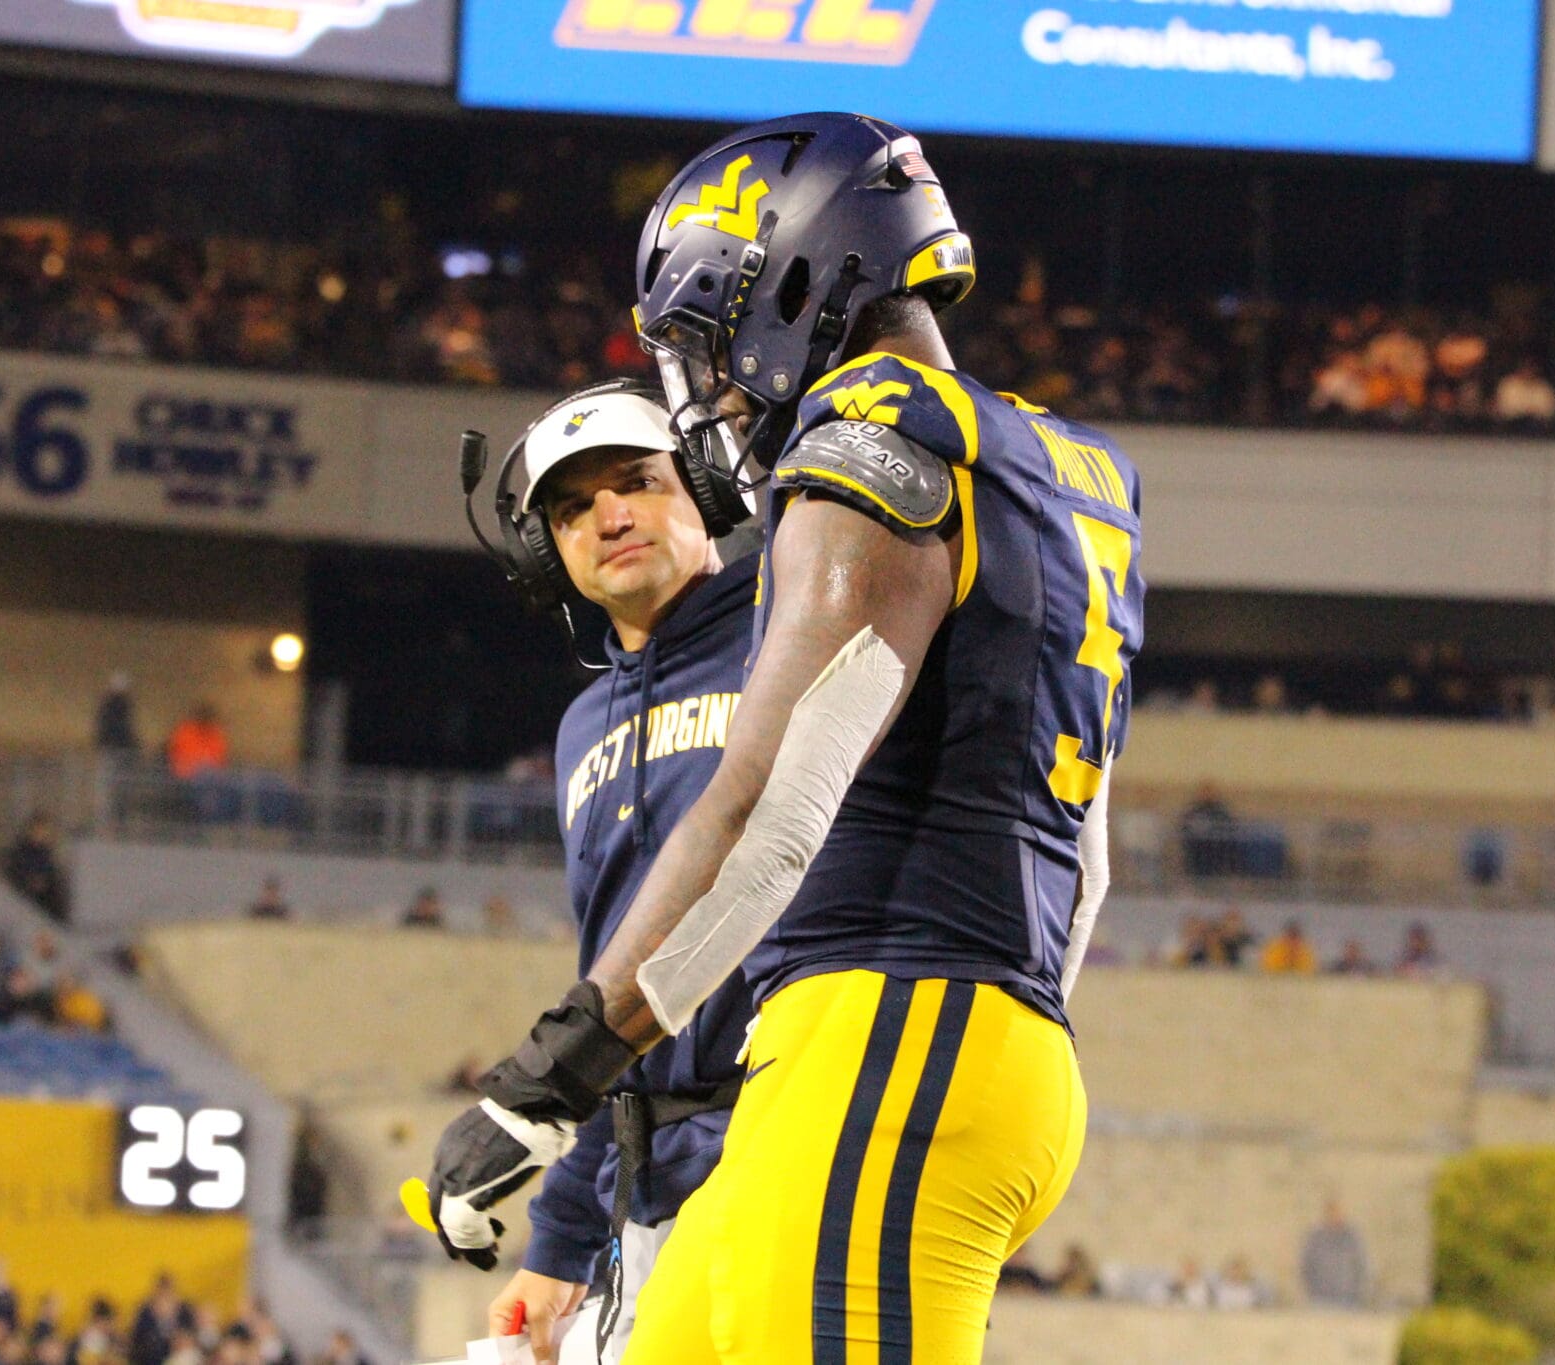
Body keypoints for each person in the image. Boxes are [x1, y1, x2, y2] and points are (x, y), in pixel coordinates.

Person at [423, 113, 1141, 1363]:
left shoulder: (869, 431)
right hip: (919, 1039)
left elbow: (768, 808)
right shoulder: (1064, 465)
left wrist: (544, 1085)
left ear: (791, 277)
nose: (704, 383)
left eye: (698, 336)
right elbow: (1088, 859)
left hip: (892, 1025)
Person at [472, 383, 760, 1365]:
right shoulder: (580, 728)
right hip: (651, 1183)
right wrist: (558, 1242)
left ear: (709, 487)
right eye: (570, 508)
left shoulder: (793, 627)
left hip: (789, 1135)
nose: (610, 515)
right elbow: (613, 989)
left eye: (636, 480)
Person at [1300, 1199, 1369, 1307]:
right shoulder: (1316, 1239)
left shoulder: (1352, 1238)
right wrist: (1313, 1291)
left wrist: (1359, 1292)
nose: (1335, 1217)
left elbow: (1362, 1266)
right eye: (1331, 1213)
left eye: (1338, 1213)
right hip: (1321, 1301)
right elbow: (1306, 1267)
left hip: (1349, 1300)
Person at [94, 673, 138, 755]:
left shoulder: (107, 704)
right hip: (115, 746)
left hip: (110, 745)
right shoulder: (118, 705)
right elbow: (119, 726)